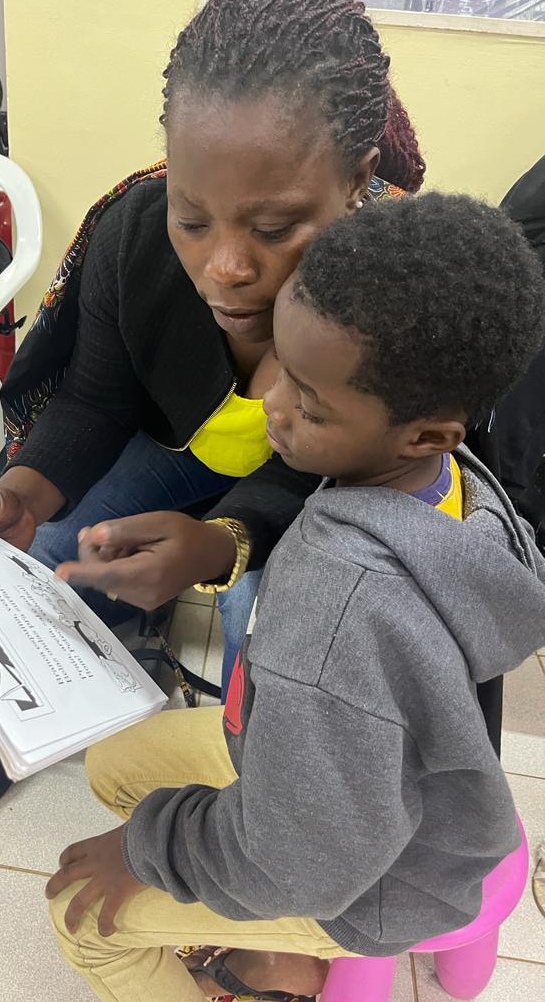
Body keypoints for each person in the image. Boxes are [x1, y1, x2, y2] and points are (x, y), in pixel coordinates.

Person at [0, 0, 426, 820]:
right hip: (175, 447)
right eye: (194, 217)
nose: (227, 266)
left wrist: (220, 544)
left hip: (312, 494)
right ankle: (30, 713)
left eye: (273, 230)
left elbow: (347, 478)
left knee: (265, 618)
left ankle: (258, 791)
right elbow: (95, 401)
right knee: (54, 543)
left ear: (358, 179)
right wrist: (24, 487)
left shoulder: (395, 288)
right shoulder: (133, 231)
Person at [44, 191, 545, 1002]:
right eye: (282, 369)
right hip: (369, 787)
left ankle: (257, 962)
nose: (271, 406)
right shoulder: (460, 480)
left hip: (367, 887)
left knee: (80, 917)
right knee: (114, 764)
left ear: (423, 434)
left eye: (307, 403)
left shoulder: (336, 607)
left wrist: (145, 854)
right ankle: (241, 937)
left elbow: (305, 861)